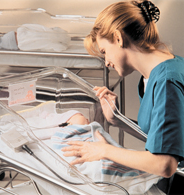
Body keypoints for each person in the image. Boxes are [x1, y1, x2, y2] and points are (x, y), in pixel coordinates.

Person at [62, 0, 184, 192]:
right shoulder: (156, 73)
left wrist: (104, 150)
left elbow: (165, 163)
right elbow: (164, 137)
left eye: (104, 52)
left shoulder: (166, 81)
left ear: (118, 38)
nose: (107, 62)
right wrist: (117, 119)